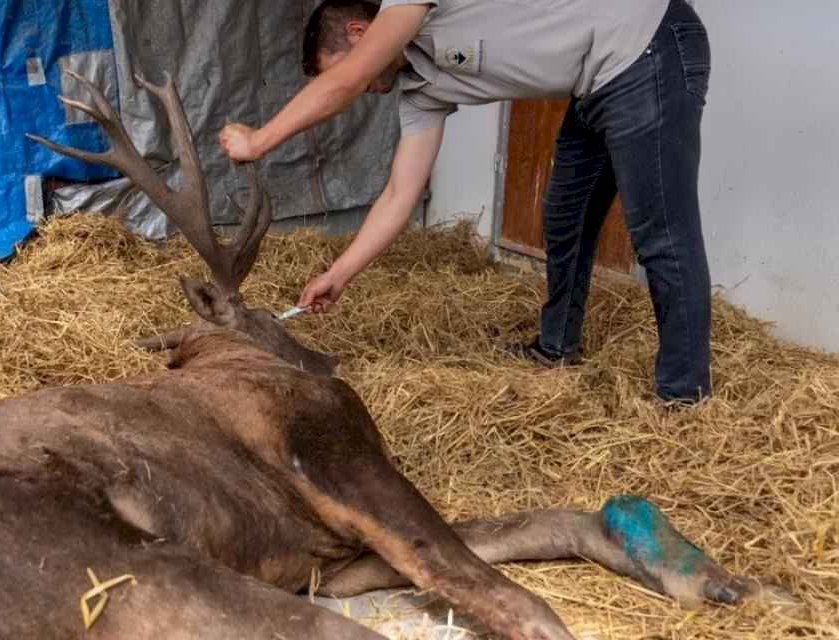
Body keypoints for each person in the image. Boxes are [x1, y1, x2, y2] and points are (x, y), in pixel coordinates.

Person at [219, 0, 713, 404]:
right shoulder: (418, 90)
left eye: (355, 73)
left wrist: (259, 141)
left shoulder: (407, 6)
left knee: (662, 233)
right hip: (595, 83)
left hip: (648, 49)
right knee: (567, 217)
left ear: (358, 31)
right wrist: (339, 273)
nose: (366, 90)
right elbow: (398, 194)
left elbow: (344, 84)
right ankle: (557, 348)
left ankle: (683, 396)